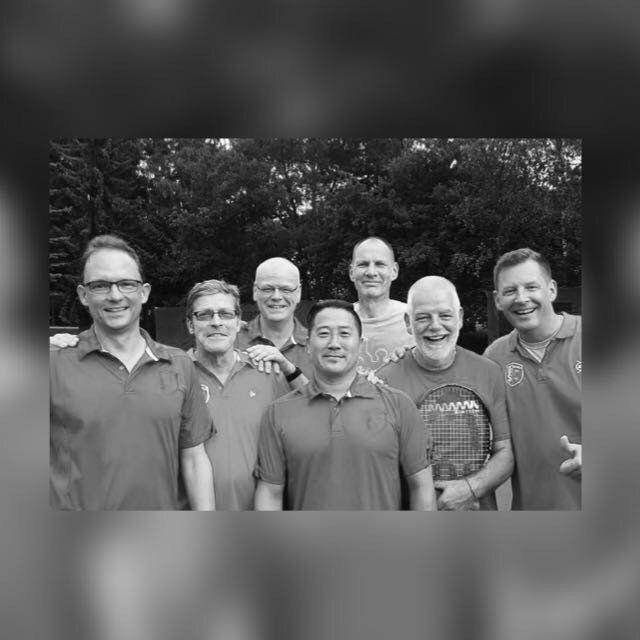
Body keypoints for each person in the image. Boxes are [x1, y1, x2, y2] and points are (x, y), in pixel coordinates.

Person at [50, 234, 215, 510]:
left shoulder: (178, 365)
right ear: (83, 295)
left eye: (126, 284)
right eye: (100, 285)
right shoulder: (53, 363)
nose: (115, 296)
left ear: (144, 292)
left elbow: (195, 460)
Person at [254, 299, 437, 510]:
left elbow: (421, 488)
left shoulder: (399, 405)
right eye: (324, 334)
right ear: (308, 346)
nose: (334, 343)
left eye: (344, 334)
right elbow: (270, 493)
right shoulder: (278, 413)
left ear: (361, 344)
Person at [377, 276, 514, 510]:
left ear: (459, 318)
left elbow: (504, 453)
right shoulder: (384, 381)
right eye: (423, 317)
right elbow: (380, 466)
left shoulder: (489, 372)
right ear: (408, 322)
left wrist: (468, 490)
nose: (435, 325)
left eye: (445, 315)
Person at [484, 248, 581, 510]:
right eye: (510, 291)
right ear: (498, 300)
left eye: (531, 287)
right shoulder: (493, 358)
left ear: (551, 290)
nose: (521, 298)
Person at [184, 278, 291, 509]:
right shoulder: (175, 376)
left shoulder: (268, 372)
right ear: (190, 325)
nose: (216, 322)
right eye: (204, 315)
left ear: (238, 322)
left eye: (225, 314)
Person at [236, 257, 310, 385]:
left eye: (286, 289)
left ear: (298, 293)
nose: (276, 297)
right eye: (267, 289)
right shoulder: (232, 341)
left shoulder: (317, 346)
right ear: (255, 291)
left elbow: (326, 397)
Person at [349, 237, 414, 371]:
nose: (371, 272)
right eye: (363, 264)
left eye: (380, 264)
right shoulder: (338, 322)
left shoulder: (415, 319)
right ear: (351, 272)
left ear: (394, 271)